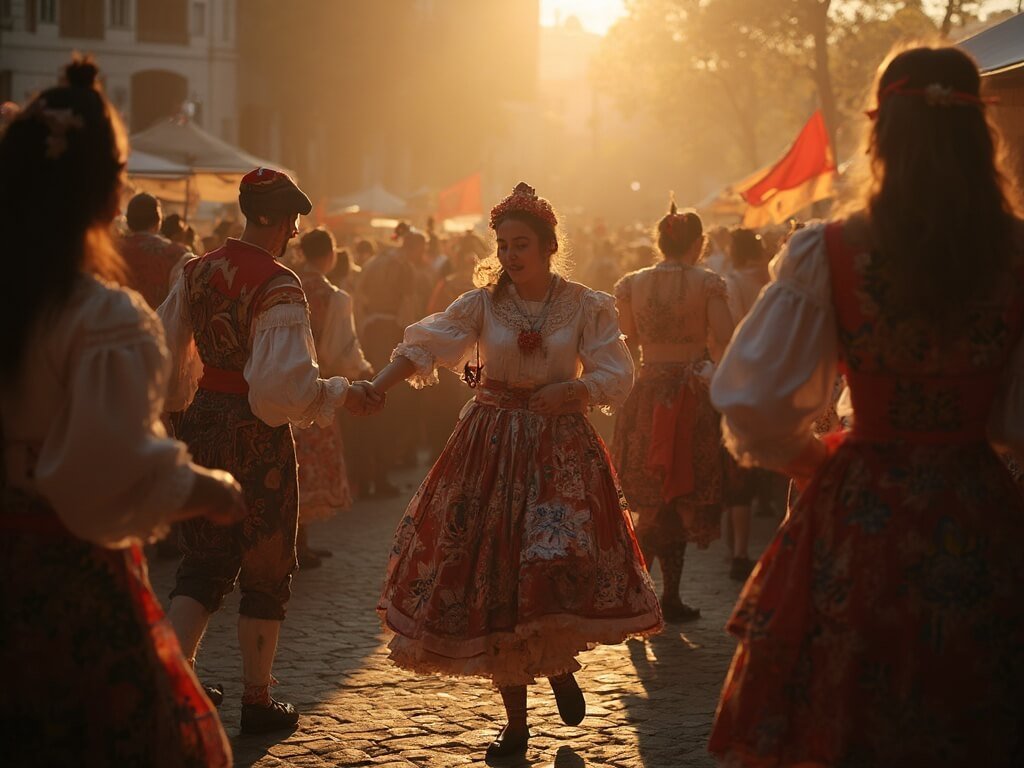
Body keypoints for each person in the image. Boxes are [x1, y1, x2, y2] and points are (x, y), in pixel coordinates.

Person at [708, 46, 1024, 765]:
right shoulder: (1016, 254)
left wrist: (812, 456)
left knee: (851, 714)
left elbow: (752, 402)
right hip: (978, 513)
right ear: (981, 134)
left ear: (881, 135)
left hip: (863, 514)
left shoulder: (833, 251)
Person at [0, 56, 246, 766]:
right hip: (62, 584)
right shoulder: (99, 318)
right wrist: (208, 488)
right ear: (109, 194)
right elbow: (101, 473)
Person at [369, 182, 662, 760]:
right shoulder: (480, 304)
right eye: (502, 245)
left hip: (558, 453)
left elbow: (618, 372)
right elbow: (428, 344)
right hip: (490, 448)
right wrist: (377, 387)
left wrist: (576, 389)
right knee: (495, 582)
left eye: (520, 244)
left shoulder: (584, 304)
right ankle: (516, 724)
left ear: (550, 246)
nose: (509, 255)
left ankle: (557, 668)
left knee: (552, 563)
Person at [159, 168, 379, 734]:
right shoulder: (279, 285)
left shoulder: (196, 271)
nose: (291, 232)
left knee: (203, 561)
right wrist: (340, 393)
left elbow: (166, 354)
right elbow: (284, 390)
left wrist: (185, 408)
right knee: (266, 561)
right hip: (256, 434)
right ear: (281, 220)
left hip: (205, 422)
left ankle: (173, 684)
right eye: (291, 221)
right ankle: (256, 701)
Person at [610, 203, 735, 621]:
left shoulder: (631, 284)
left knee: (649, 496)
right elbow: (728, 336)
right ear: (698, 244)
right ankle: (670, 595)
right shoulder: (708, 283)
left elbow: (622, 337)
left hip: (646, 393)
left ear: (658, 242)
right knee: (679, 493)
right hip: (691, 396)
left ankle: (638, 591)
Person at [294, 227, 373, 566]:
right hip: (321, 385)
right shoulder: (335, 296)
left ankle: (292, 541)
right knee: (311, 464)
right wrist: (361, 373)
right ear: (330, 256)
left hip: (285, 384)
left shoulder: (288, 286)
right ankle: (300, 542)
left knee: (290, 461)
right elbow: (344, 350)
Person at [720, 228, 771, 581]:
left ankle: (737, 548)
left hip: (740, 372)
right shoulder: (773, 277)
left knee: (735, 465)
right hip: (770, 372)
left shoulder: (732, 283)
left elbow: (728, 335)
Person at [120, 191, 193, 309]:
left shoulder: (110, 251)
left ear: (128, 220)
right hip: (159, 325)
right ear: (159, 220)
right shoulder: (178, 254)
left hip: (113, 324)